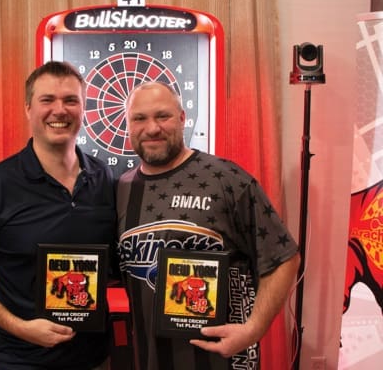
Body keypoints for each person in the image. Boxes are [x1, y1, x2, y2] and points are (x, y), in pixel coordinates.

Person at [0, 61, 117, 370]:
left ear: (83, 108)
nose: (59, 110)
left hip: (95, 361)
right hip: (21, 362)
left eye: (70, 100)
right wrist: (18, 326)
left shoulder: (103, 177)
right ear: (28, 109)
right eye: (47, 100)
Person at [117, 81, 300, 370]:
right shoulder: (122, 190)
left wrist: (253, 329)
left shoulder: (226, 179)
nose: (152, 128)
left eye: (163, 116)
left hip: (222, 361)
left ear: (182, 118)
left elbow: (284, 258)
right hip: (149, 360)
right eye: (139, 118)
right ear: (128, 125)